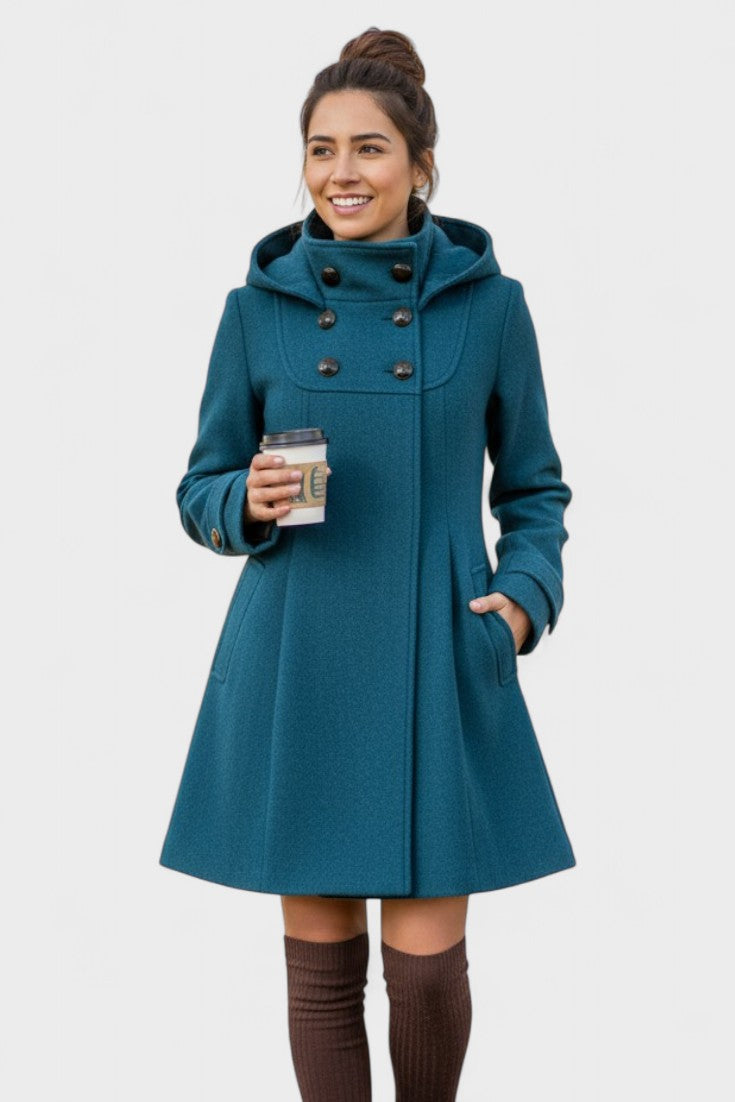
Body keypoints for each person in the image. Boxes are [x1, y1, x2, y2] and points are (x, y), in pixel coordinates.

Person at [160, 26, 575, 1102]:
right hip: (299, 653)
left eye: (369, 147)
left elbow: (534, 489)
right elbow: (200, 487)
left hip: (439, 648)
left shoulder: (491, 308)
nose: (341, 172)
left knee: (427, 979)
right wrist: (241, 503)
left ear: (421, 165)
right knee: (322, 980)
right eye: (320, 148)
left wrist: (519, 603)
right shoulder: (256, 312)